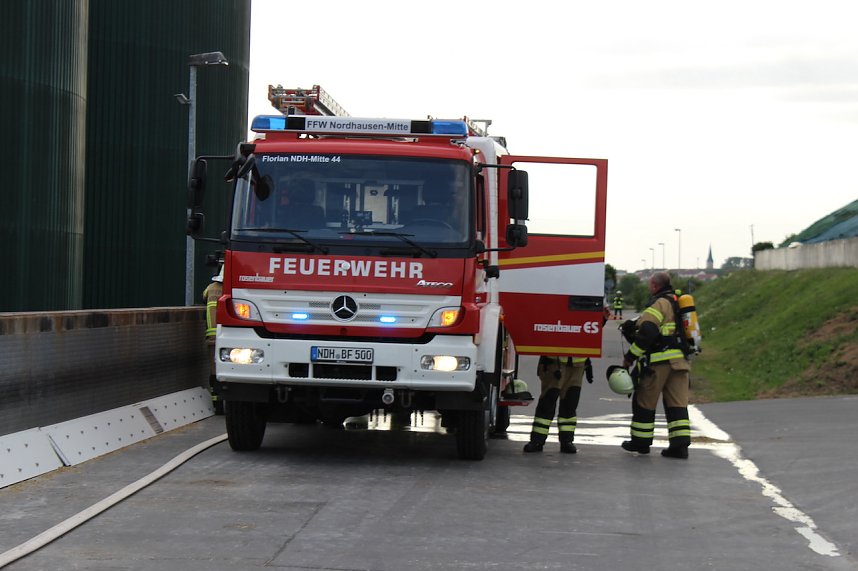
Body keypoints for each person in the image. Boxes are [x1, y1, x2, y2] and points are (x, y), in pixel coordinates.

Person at [620, 271, 692, 459]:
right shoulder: (678, 303)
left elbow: (648, 332)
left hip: (659, 363)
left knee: (644, 401)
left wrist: (630, 357)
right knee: (677, 404)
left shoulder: (658, 303)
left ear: (654, 286)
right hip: (680, 363)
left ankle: (641, 443)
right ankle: (680, 447)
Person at [523, 356, 594, 454]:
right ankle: (537, 441)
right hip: (554, 363)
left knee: (570, 402)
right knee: (548, 401)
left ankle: (567, 441)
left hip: (578, 364)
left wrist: (587, 359)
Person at [202, 266, 224, 414]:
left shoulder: (210, 288)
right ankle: (222, 401)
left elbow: (203, 297)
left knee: (214, 371)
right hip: (226, 336)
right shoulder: (229, 289)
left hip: (212, 337)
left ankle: (217, 404)